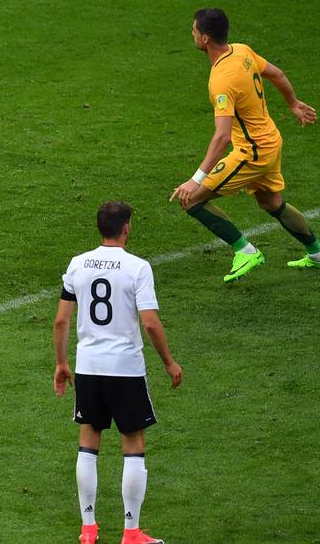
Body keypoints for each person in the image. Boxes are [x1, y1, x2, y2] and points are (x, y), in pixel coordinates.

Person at [170, 8, 320, 282]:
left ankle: (245, 250)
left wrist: (195, 179)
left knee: (191, 199)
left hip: (252, 153)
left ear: (206, 38)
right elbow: (277, 74)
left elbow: (222, 136)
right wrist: (293, 104)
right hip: (271, 141)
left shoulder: (221, 80)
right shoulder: (242, 50)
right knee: (270, 201)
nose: (192, 34)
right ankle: (319, 255)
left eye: (194, 31)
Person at [54, 201, 183, 544]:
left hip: (88, 366)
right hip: (124, 367)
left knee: (88, 441)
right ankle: (131, 532)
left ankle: (89, 528)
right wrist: (169, 362)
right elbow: (151, 323)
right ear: (126, 227)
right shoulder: (137, 268)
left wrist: (61, 362)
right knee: (133, 443)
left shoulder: (77, 264)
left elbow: (61, 319)